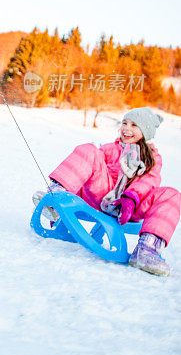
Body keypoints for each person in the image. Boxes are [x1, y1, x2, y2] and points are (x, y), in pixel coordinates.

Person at [33, 108, 180, 276]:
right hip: (103, 196)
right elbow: (88, 168)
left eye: (134, 125)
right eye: (124, 123)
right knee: (89, 150)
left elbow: (149, 181)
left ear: (145, 131)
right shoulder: (112, 148)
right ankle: (56, 198)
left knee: (172, 194)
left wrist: (131, 198)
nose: (126, 128)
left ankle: (147, 249)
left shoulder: (153, 159)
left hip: (132, 207)